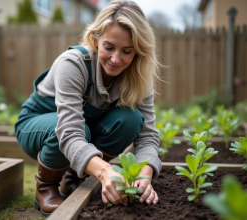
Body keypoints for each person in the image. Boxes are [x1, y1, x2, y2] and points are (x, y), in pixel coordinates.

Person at [15, 0, 161, 217]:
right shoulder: (73, 64)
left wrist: (144, 173)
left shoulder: (139, 78)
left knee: (131, 119)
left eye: (127, 51)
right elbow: (70, 131)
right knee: (77, 130)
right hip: (39, 126)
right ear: (95, 39)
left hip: (83, 129)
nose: (115, 59)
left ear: (138, 52)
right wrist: (105, 172)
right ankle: (45, 188)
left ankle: (74, 180)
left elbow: (147, 136)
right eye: (109, 47)